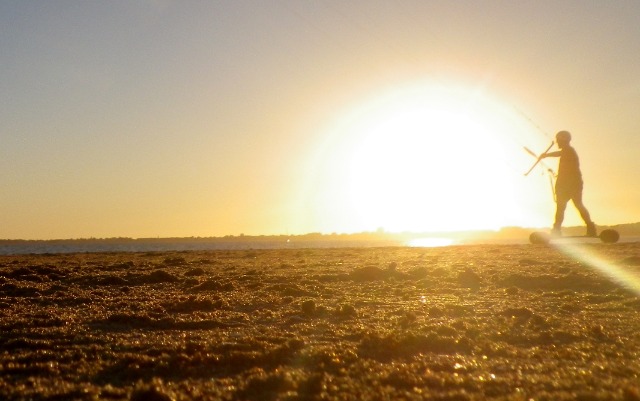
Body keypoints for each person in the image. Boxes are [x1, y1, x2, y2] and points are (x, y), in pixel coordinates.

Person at [539, 130, 596, 237]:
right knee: (562, 207)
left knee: (573, 206)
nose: (557, 143)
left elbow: (560, 153)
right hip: (566, 184)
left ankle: (589, 228)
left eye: (558, 140)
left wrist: (546, 155)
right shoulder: (567, 151)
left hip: (572, 184)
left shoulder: (569, 150)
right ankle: (557, 230)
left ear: (563, 140)